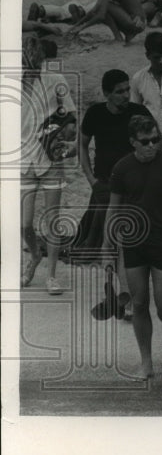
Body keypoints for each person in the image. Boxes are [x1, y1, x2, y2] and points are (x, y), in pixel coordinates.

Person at [104, 115, 162, 378]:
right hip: (133, 244)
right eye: (145, 142)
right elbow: (113, 209)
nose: (152, 145)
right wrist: (107, 249)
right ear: (133, 142)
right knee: (140, 303)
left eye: (156, 140)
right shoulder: (122, 168)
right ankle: (146, 360)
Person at [77, 69, 153, 313]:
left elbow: (155, 140)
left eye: (127, 89)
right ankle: (120, 293)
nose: (125, 95)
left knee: (123, 241)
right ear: (106, 93)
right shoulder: (95, 113)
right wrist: (90, 179)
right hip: (104, 186)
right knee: (110, 243)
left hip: (134, 187)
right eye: (119, 91)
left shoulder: (138, 113)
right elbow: (82, 143)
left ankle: (125, 295)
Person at [20, 35, 77, 295]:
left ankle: (52, 276)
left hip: (51, 157)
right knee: (25, 223)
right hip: (23, 158)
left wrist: (65, 134)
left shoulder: (56, 80)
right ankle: (34, 255)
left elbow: (72, 118)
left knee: (53, 220)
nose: (30, 62)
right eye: (26, 58)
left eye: (35, 58)